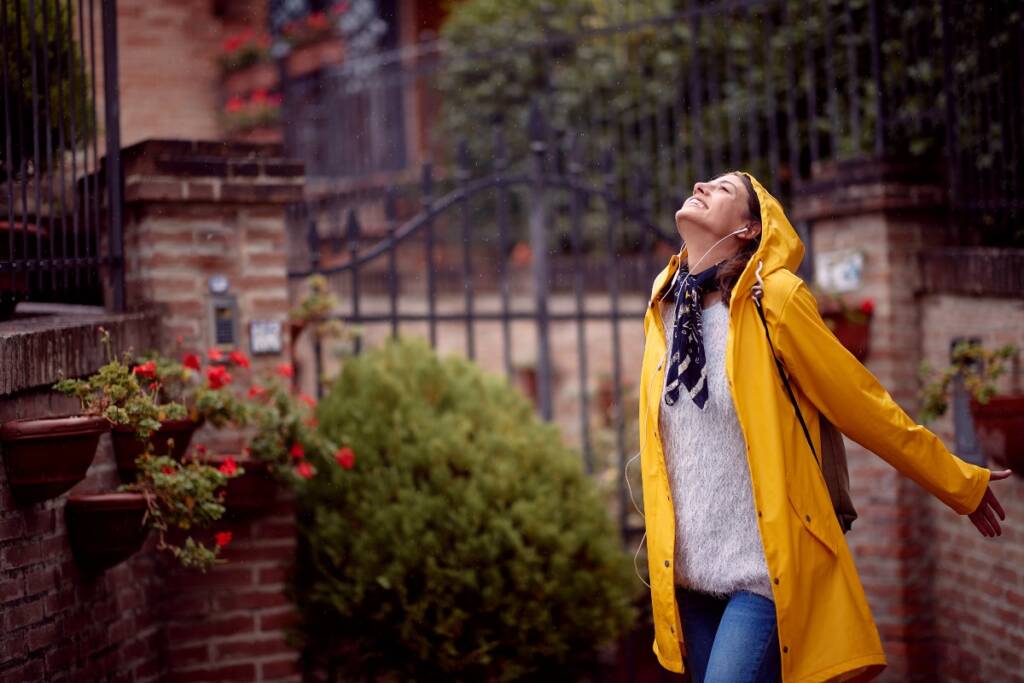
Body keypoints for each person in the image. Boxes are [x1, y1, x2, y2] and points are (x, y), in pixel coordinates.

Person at [635, 170, 1012, 682]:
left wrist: (957, 480)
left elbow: (863, 403)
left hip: (765, 575)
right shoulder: (666, 310)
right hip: (690, 581)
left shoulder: (776, 302)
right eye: (703, 183)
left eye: (722, 189)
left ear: (750, 229)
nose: (700, 186)